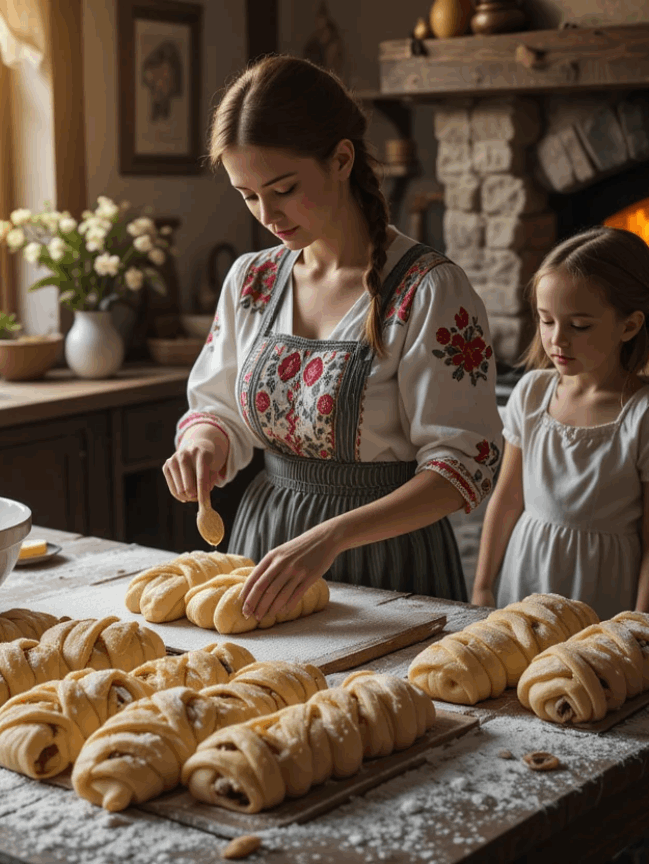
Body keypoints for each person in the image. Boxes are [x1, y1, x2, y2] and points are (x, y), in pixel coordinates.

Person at [163, 55, 503, 622]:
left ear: (342, 158)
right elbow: (218, 406)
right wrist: (206, 443)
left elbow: (463, 469)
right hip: (266, 546)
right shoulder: (253, 280)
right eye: (247, 195)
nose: (267, 214)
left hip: (387, 561)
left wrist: (332, 536)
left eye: (284, 188)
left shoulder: (430, 289)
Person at [473, 226, 649, 636]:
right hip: (526, 580)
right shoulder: (531, 394)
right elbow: (506, 498)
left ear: (629, 325)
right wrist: (483, 586)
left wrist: (639, 629)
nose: (557, 340)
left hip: (607, 598)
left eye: (579, 325)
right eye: (546, 320)